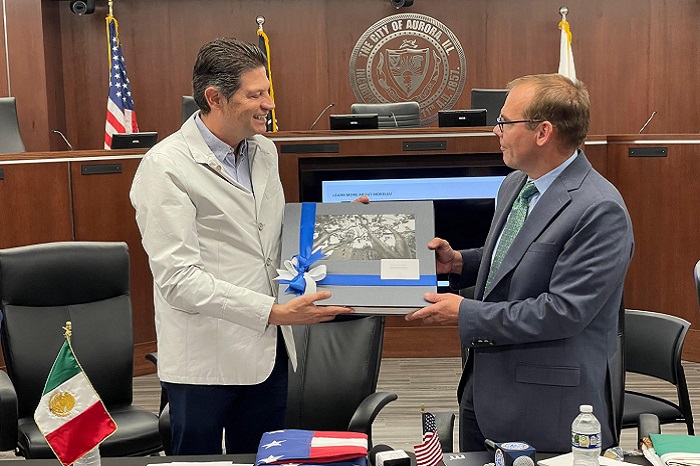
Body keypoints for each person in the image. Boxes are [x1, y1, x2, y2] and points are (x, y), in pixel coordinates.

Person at [130, 37, 353, 455]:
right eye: (255, 95)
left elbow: (272, 239)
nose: (269, 104)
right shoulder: (164, 167)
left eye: (267, 91)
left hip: (269, 352)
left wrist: (339, 225)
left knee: (264, 459)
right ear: (215, 98)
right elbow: (178, 280)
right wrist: (272, 312)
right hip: (205, 359)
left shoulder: (264, 150)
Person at [406, 74, 634, 453]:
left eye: (505, 122)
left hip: (548, 405)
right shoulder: (516, 183)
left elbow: (563, 312)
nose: (495, 130)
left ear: (543, 132)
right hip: (484, 391)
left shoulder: (599, 209)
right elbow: (517, 257)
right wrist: (459, 263)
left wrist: (465, 312)